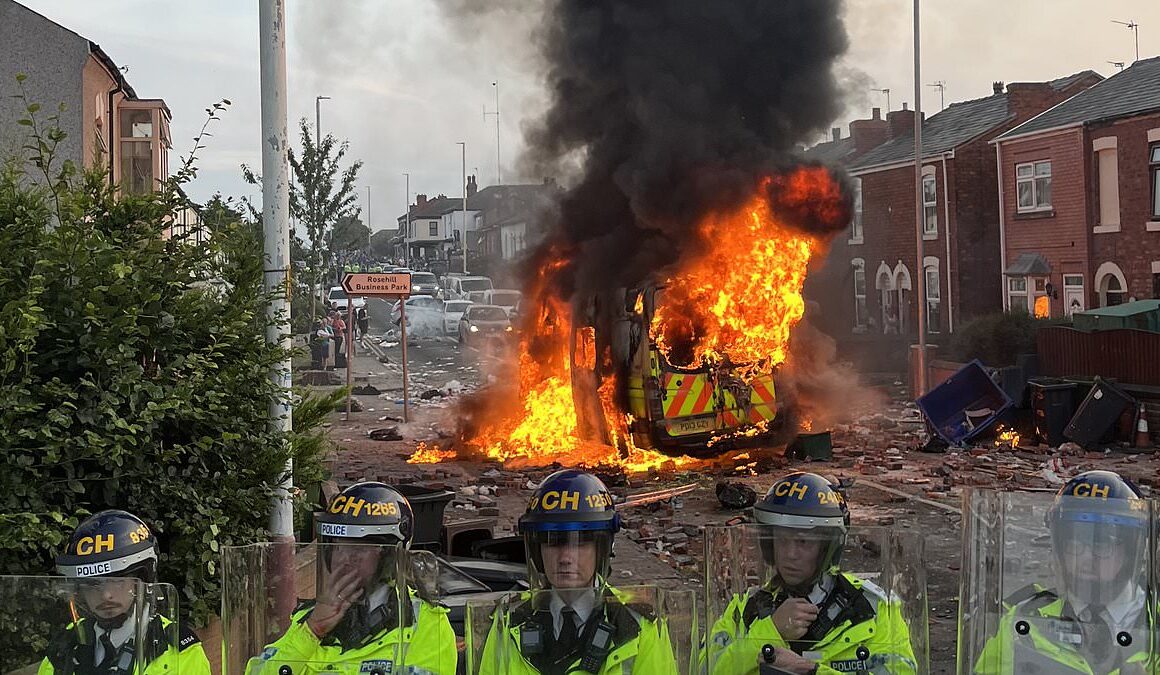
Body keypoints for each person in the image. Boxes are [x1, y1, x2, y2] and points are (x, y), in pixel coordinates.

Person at [705, 472, 917, 675]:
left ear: (827, 548)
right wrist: (771, 631)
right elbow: (708, 670)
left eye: (803, 542)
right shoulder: (745, 609)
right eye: (781, 540)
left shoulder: (872, 609)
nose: (790, 554)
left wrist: (809, 671)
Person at [478, 469, 678, 675]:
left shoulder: (636, 625)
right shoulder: (509, 621)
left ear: (602, 550)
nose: (565, 557)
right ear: (538, 553)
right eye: (553, 544)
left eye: (580, 543)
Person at [251, 482, 456, 674]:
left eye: (358, 548)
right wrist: (312, 632)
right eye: (338, 546)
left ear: (388, 555)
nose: (344, 558)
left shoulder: (425, 623)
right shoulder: (311, 616)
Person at [972, 470, 1153, 674]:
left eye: (1102, 544)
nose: (1085, 558)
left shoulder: (1154, 629)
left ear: (1132, 551)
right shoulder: (1025, 619)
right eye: (1074, 543)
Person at [41, 510, 211, 675]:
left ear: (141, 581)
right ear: (79, 591)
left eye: (117, 581)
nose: (106, 595)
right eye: (93, 584)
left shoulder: (179, 652)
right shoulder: (65, 647)